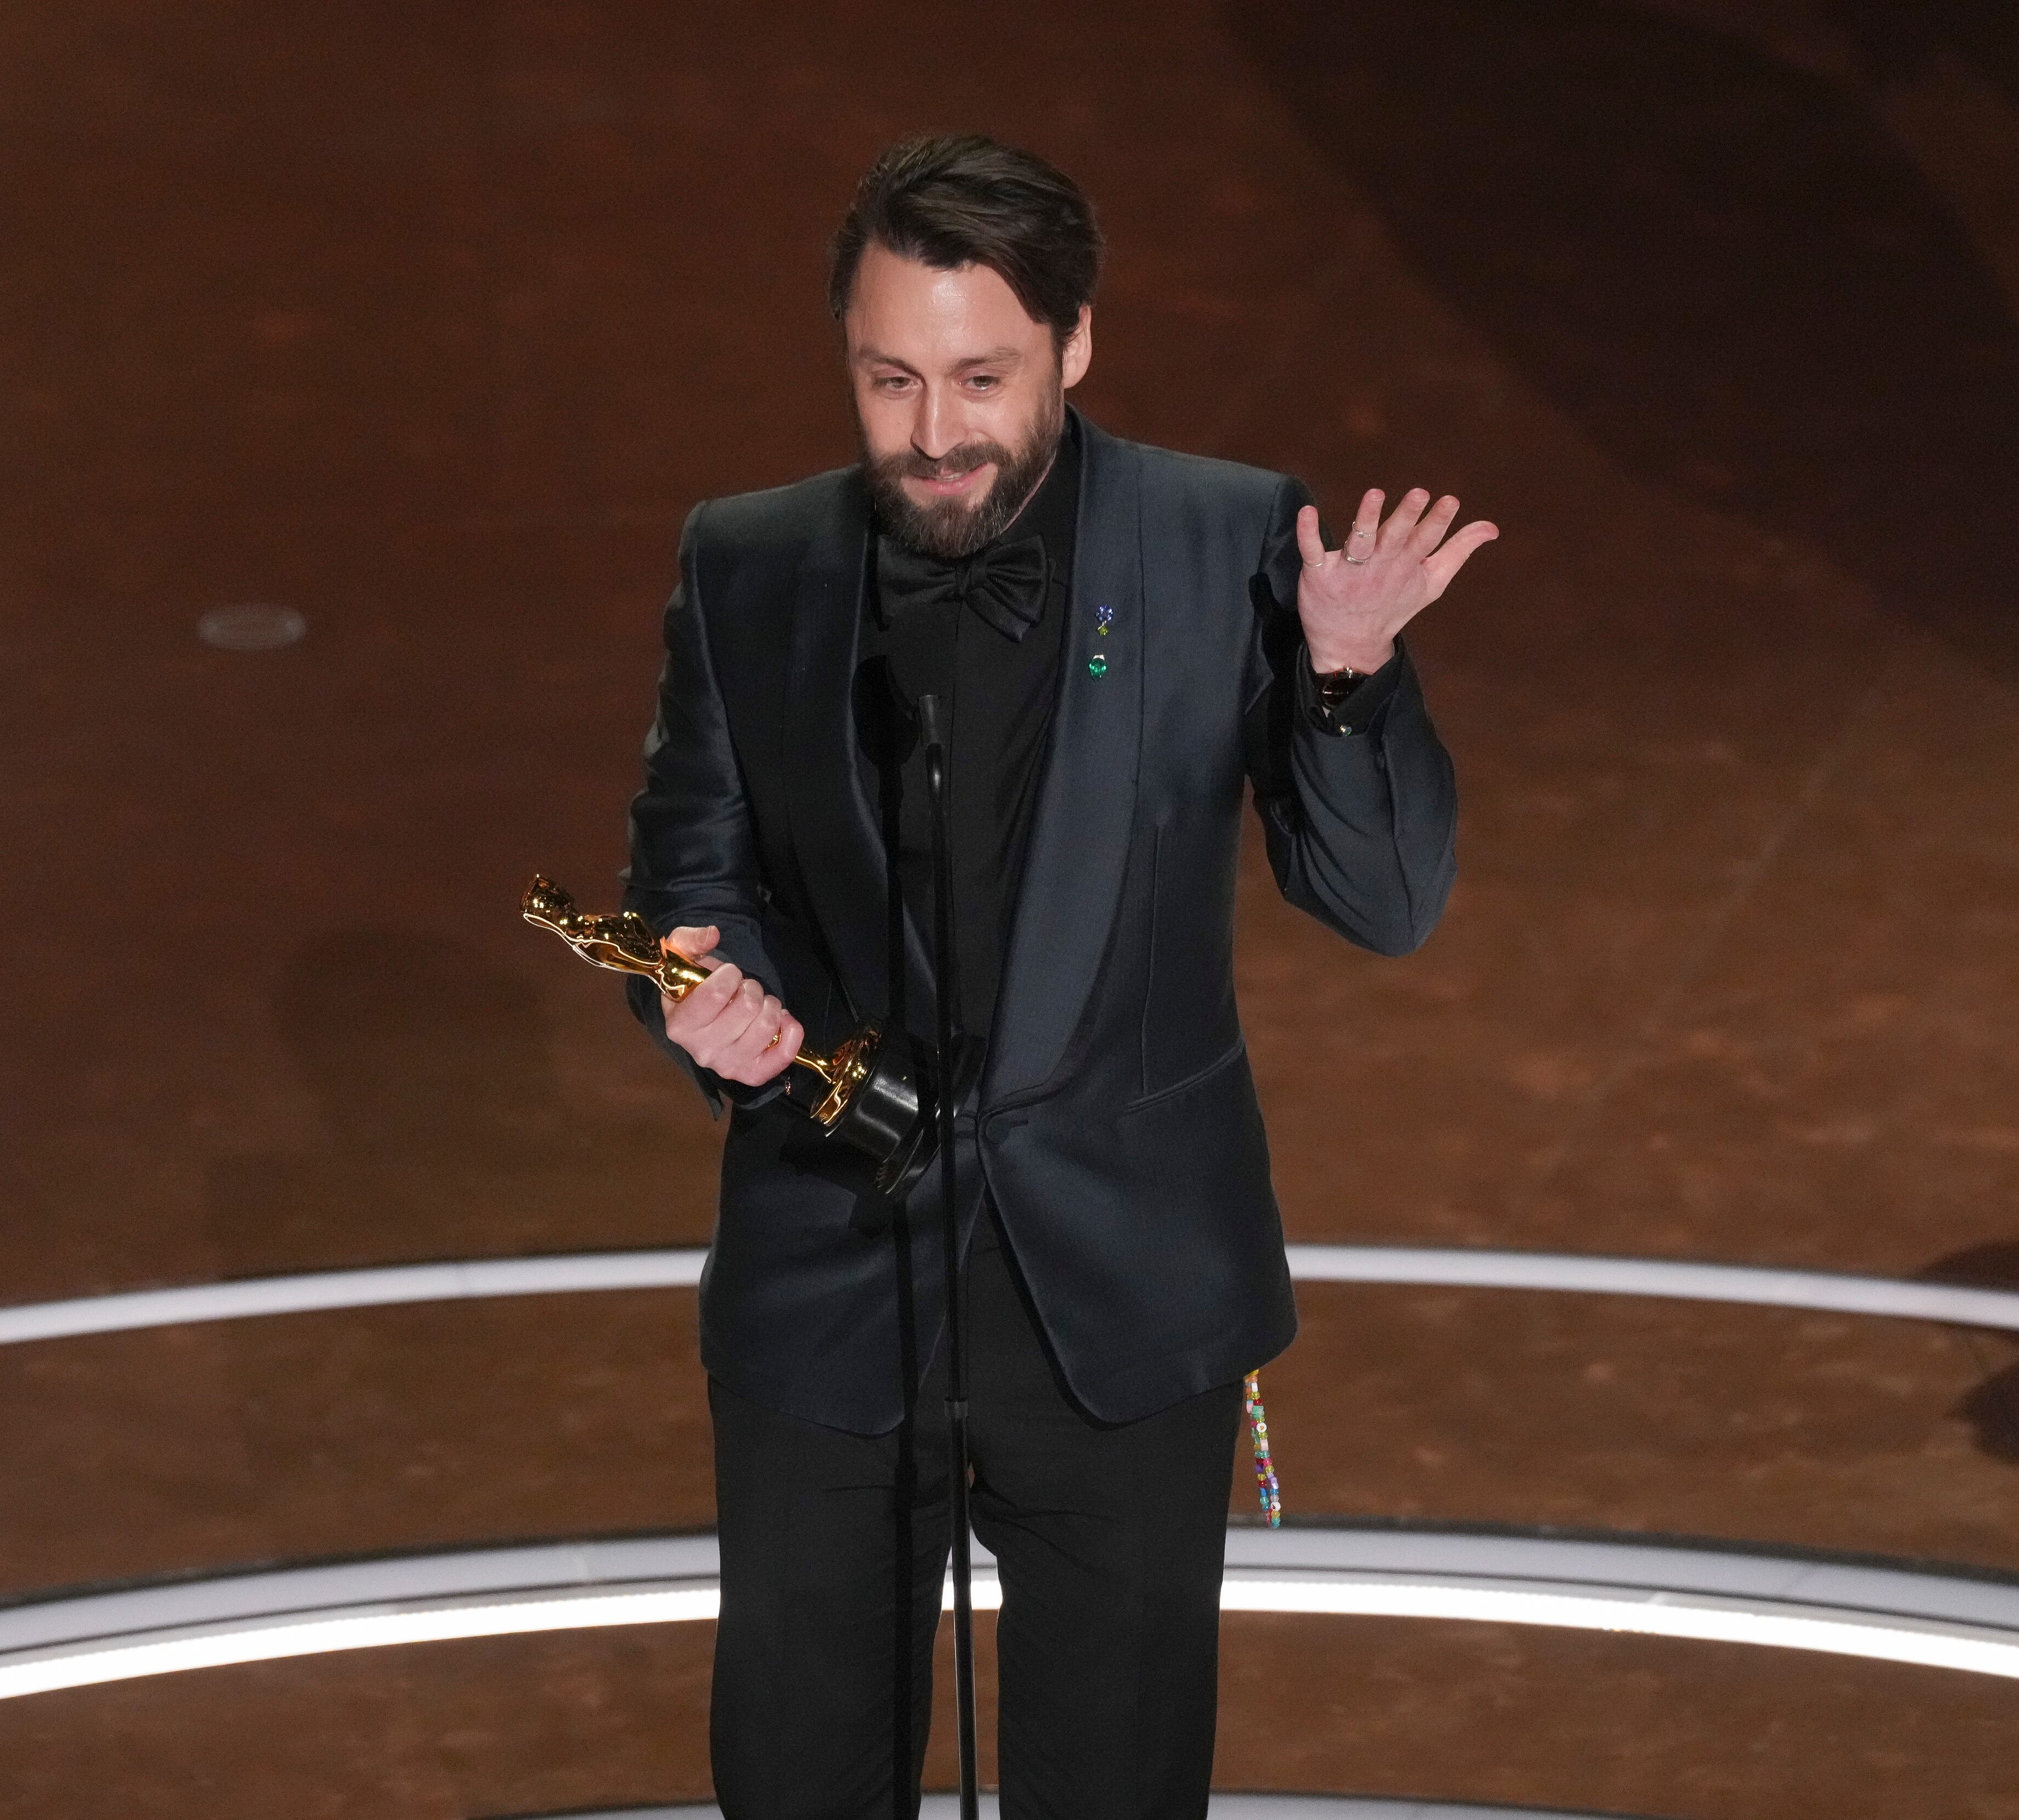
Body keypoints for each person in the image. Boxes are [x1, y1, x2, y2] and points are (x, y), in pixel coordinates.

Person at [615, 134, 1495, 1820]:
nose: (934, 432)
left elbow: (1383, 900)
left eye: (979, 378)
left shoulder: (1232, 543)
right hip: (833, 1285)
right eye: (889, 379)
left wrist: (1347, 673)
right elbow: (692, 880)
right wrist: (702, 1008)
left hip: (1121, 1294)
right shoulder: (751, 561)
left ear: (1075, 346)